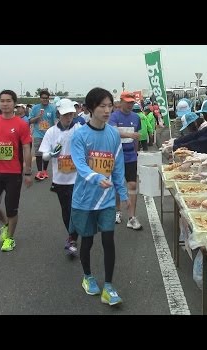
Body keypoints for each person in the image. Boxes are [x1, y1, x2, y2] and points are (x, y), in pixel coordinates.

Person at [70, 87, 129, 306]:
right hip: (84, 200)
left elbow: (118, 166)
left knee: (108, 240)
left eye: (109, 106)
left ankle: (109, 287)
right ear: (90, 108)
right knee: (87, 241)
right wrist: (96, 178)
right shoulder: (80, 135)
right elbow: (81, 165)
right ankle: (87, 276)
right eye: (102, 106)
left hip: (105, 199)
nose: (107, 110)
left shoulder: (113, 134)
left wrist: (122, 193)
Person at [0, 90, 33, 252]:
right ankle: (5, 224)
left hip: (14, 173)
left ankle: (10, 238)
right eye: (2, 101)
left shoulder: (21, 124)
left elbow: (26, 148)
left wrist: (27, 172)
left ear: (14, 103)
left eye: (8, 101)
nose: (5, 104)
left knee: (11, 207)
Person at [40, 98, 82, 255]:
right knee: (66, 210)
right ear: (58, 114)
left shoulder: (79, 129)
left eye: (71, 114)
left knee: (76, 208)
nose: (69, 117)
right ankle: (72, 236)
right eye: (65, 114)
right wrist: (51, 154)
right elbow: (43, 155)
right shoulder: (51, 132)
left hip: (77, 177)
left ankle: (73, 237)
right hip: (60, 179)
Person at [108, 91, 142, 230]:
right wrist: (129, 134)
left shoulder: (136, 117)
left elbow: (136, 137)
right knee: (117, 185)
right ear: (121, 101)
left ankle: (132, 217)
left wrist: (136, 151)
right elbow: (113, 132)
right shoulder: (113, 116)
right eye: (127, 102)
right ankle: (117, 211)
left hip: (130, 156)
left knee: (132, 185)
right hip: (116, 155)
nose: (129, 104)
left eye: (132, 102)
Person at [28, 90, 57, 181]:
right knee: (38, 154)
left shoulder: (52, 108)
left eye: (46, 98)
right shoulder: (35, 108)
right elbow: (30, 121)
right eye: (43, 98)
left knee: (46, 154)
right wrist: (38, 116)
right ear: (40, 98)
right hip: (38, 134)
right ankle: (39, 171)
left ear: (49, 99)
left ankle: (44, 170)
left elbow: (55, 121)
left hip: (48, 135)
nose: (44, 100)